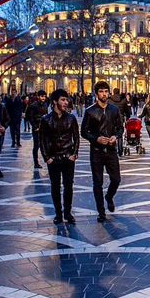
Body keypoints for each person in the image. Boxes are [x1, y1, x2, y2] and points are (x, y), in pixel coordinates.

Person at [81, 81, 123, 223]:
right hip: (97, 151)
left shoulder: (114, 110)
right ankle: (101, 211)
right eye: (101, 91)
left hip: (111, 150)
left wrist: (115, 136)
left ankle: (109, 196)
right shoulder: (90, 111)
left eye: (106, 91)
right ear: (96, 93)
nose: (104, 94)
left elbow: (120, 128)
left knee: (116, 179)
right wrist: (96, 139)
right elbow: (84, 132)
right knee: (97, 182)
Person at [39, 89, 80, 225]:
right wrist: (47, 158)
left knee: (69, 186)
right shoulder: (46, 120)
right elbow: (42, 140)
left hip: (68, 157)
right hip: (54, 158)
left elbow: (76, 137)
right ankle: (58, 213)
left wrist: (74, 154)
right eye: (63, 100)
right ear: (55, 101)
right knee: (55, 186)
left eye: (66, 100)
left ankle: (68, 213)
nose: (66, 102)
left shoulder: (71, 118)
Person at [108, 88, 129, 156]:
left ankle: (112, 148)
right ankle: (120, 150)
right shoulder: (123, 100)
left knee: (111, 133)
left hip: (111, 119)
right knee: (120, 134)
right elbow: (126, 110)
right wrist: (127, 117)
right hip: (120, 118)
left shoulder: (109, 100)